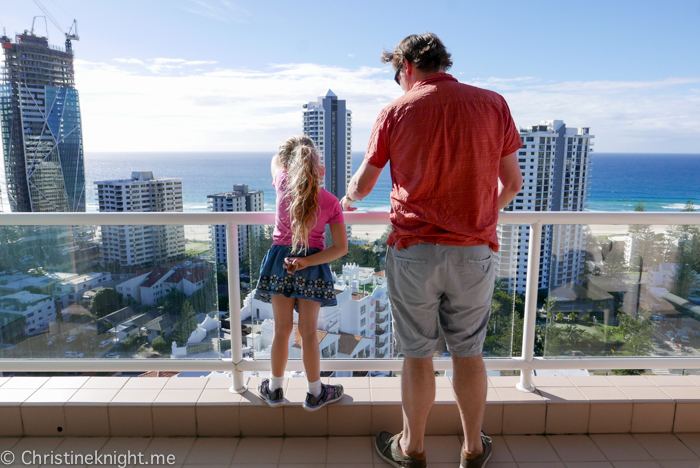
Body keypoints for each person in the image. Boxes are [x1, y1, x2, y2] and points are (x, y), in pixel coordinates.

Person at [342, 33, 523, 468]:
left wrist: (346, 199)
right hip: (472, 251)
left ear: (406, 66)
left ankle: (413, 449)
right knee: (469, 352)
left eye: (396, 75)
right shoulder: (493, 103)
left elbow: (363, 186)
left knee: (418, 355)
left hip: (414, 250)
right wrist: (481, 215)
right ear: (443, 62)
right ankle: (472, 449)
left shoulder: (396, 111)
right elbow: (512, 184)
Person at [255, 135, 348, 411]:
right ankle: (315, 392)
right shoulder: (330, 201)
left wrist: (294, 154)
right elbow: (341, 248)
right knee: (308, 332)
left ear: (290, 166)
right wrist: (307, 263)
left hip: (279, 262)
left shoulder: (282, 181)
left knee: (282, 330)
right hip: (311, 264)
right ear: (320, 170)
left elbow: (275, 161)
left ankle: (274, 389)